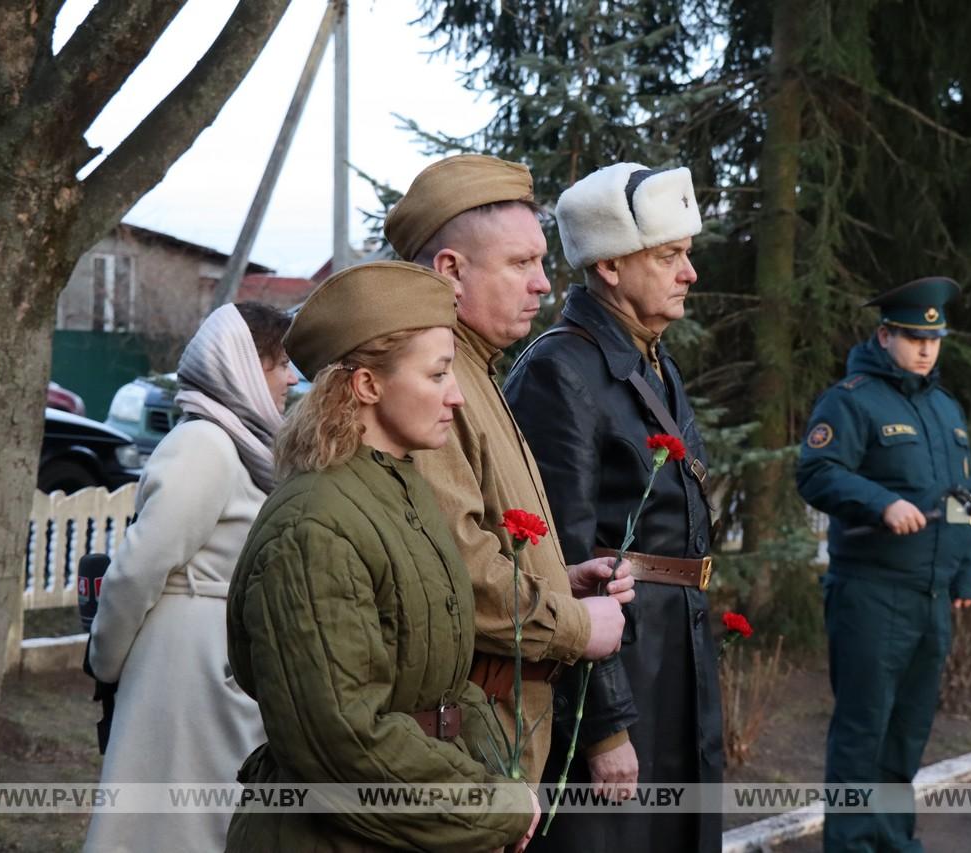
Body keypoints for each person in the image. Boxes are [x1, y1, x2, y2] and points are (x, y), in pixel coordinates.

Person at [224, 261, 539, 852]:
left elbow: (439, 688)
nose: (457, 395)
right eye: (438, 374)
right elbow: (343, 741)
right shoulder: (314, 527)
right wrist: (488, 805)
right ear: (367, 385)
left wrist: (497, 774)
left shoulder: (402, 491)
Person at [383, 154, 632, 783]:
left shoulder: (475, 367)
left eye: (541, 262)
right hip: (459, 734)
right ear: (450, 272)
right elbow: (456, 568)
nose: (544, 283)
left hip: (487, 724)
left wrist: (561, 579)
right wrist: (575, 623)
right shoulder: (433, 382)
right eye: (521, 263)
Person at [502, 162, 723, 851]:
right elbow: (561, 561)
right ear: (609, 267)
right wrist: (604, 724)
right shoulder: (560, 369)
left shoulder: (651, 358)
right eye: (668, 256)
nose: (688, 272)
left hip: (672, 649)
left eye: (686, 253)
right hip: (620, 662)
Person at [84, 301, 296, 853]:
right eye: (279, 363)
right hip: (184, 667)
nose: (292, 378)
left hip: (213, 661)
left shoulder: (242, 444)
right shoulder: (204, 443)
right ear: (242, 367)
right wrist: (107, 661)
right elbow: (139, 568)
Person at [795, 277, 971, 852]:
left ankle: (894, 842)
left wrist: (967, 572)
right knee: (863, 733)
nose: (926, 348)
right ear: (884, 336)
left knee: (906, 734)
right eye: (913, 337)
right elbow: (817, 472)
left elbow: (967, 498)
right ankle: (851, 845)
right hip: (871, 594)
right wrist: (883, 502)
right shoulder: (851, 399)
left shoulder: (945, 409)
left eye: (935, 338)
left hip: (931, 596)